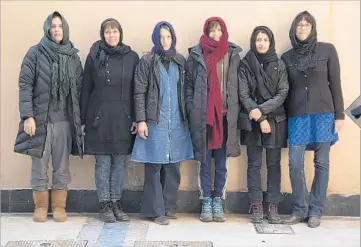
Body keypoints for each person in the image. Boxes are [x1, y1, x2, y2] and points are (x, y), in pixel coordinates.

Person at [14, 11, 83, 222]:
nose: (56, 30)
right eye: (53, 26)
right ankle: (41, 206)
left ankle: (59, 206)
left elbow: (79, 91)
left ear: (65, 29)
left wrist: (79, 122)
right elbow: (25, 85)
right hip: (40, 120)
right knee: (39, 165)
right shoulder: (35, 53)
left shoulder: (72, 57)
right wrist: (28, 116)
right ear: (47, 28)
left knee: (61, 166)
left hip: (64, 121)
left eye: (60, 26)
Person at [281, 11, 345, 228]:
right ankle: (300, 209)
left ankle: (316, 211)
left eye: (306, 25)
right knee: (294, 163)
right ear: (293, 29)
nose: (302, 28)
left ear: (313, 28)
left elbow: (335, 83)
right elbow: (285, 91)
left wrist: (340, 115)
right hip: (297, 115)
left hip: (324, 114)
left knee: (322, 163)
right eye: (299, 25)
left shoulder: (327, 50)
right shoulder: (287, 57)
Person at [131, 21, 194, 225]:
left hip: (176, 121)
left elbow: (187, 91)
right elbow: (139, 92)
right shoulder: (147, 61)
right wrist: (141, 120)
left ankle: (169, 207)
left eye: (168, 36)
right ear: (155, 38)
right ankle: (156, 211)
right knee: (155, 166)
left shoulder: (180, 61)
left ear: (173, 38)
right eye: (161, 37)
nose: (164, 40)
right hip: (154, 121)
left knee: (174, 166)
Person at [80, 18, 139, 223]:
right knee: (103, 162)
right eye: (107, 32)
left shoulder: (132, 57)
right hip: (99, 118)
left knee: (119, 163)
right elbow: (86, 88)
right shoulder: (94, 56)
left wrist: (135, 117)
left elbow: (135, 91)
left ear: (120, 34)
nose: (111, 36)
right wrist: (83, 119)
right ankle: (104, 204)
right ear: (102, 35)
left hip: (123, 119)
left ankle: (117, 202)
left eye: (115, 32)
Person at [185, 17, 242, 222]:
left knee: (221, 162)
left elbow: (237, 86)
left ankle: (218, 199)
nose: (216, 34)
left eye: (219, 30)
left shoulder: (232, 54)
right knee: (203, 161)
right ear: (207, 32)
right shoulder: (196, 54)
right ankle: (206, 200)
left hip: (225, 117)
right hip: (203, 117)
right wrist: (192, 109)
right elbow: (189, 86)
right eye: (212, 30)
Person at [238, 26, 289, 224]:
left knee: (274, 165)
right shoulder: (245, 64)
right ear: (253, 41)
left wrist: (263, 111)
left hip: (276, 121)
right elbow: (243, 94)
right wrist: (260, 118)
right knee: (254, 165)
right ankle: (256, 204)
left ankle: (273, 205)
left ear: (271, 42)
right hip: (253, 121)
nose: (261, 43)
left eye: (265, 39)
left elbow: (282, 93)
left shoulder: (279, 64)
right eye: (258, 39)